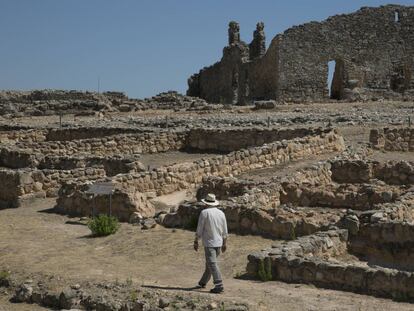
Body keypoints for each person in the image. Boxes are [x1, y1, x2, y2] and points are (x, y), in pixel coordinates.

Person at [193, 193, 228, 294]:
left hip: (209, 243)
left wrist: (196, 241)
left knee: (212, 264)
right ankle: (202, 282)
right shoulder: (221, 213)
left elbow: (199, 229)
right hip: (219, 242)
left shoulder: (204, 213)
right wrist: (225, 243)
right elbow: (225, 230)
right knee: (210, 263)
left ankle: (219, 285)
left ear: (206, 203)